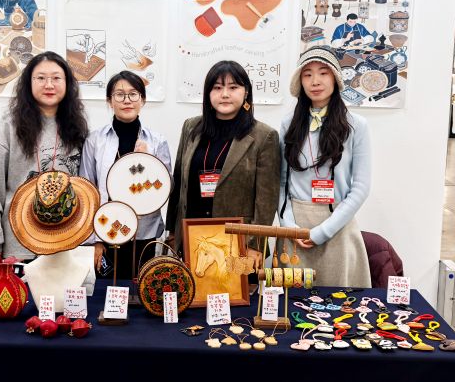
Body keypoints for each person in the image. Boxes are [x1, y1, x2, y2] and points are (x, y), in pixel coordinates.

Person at [0, 51, 89, 262]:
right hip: (19, 248)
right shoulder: (7, 128)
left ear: (67, 84)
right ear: (29, 83)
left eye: (56, 78)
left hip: (65, 247)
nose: (49, 85)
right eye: (41, 78)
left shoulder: (77, 128)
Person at [166, 61, 280, 263]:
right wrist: (172, 231)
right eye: (217, 88)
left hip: (238, 243)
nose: (225, 94)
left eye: (233, 87)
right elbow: (178, 182)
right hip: (192, 237)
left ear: (246, 92)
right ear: (208, 94)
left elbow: (266, 200)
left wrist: (255, 244)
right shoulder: (191, 127)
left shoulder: (264, 136)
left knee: (235, 286)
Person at [278, 46, 373, 287]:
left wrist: (323, 231)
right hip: (295, 230)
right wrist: (289, 226)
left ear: (336, 78)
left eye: (323, 72)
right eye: (307, 74)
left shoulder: (356, 126)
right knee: (291, 303)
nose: (315, 81)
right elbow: (281, 182)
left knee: (340, 302)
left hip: (337, 227)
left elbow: (361, 187)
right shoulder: (288, 125)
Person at [80, 71, 171, 276]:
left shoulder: (157, 141)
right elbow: (87, 191)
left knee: (142, 288)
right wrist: (95, 240)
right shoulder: (95, 140)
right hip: (106, 230)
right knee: (106, 291)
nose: (127, 100)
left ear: (143, 100)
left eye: (133, 94)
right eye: (119, 94)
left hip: (145, 233)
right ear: (109, 101)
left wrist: (150, 163)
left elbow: (167, 187)